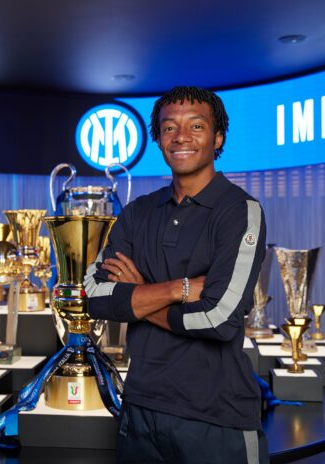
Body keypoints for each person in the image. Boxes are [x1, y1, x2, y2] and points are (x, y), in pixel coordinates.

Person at [85, 86, 268, 463]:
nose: (181, 136)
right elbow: (94, 296)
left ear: (218, 137)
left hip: (217, 418)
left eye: (196, 126)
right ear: (158, 139)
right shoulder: (137, 213)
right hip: (140, 410)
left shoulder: (239, 211)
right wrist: (177, 289)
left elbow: (220, 320)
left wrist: (137, 295)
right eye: (169, 128)